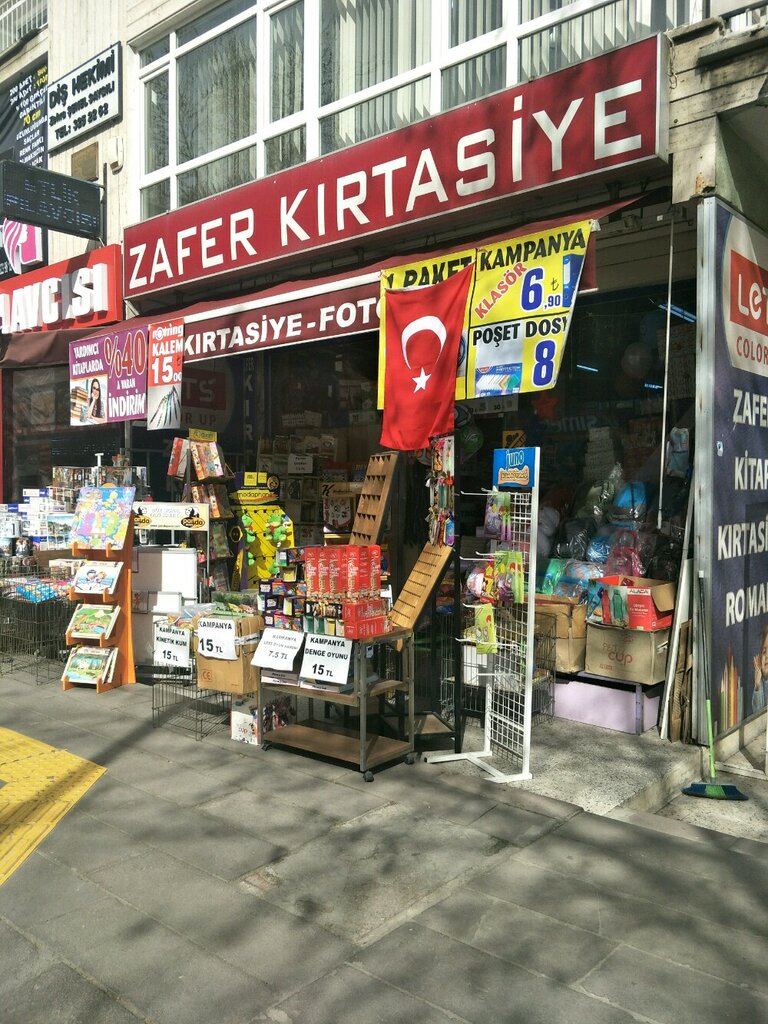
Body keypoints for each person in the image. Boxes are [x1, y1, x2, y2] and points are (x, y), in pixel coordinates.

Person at [752, 624, 768, 714]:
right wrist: (757, 685)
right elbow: (757, 712)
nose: (766, 656)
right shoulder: (761, 684)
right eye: (764, 652)